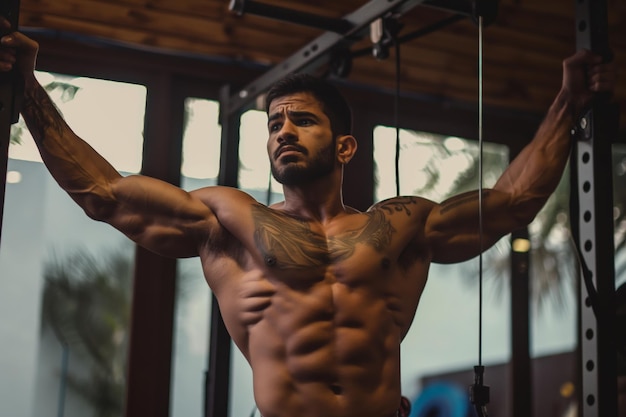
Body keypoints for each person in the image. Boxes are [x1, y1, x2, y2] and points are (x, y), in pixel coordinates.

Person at [0, 18, 617, 417]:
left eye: (302, 120)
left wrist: (569, 100)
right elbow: (103, 192)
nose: (283, 132)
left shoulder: (399, 226)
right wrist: (26, 86)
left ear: (344, 147)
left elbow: (514, 204)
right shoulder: (229, 223)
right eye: (274, 124)